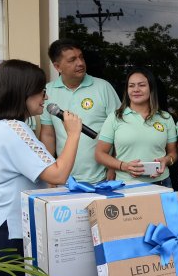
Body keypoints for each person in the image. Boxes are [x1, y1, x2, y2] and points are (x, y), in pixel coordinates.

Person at [0, 60, 81, 276]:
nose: (45, 98)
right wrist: (73, 134)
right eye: (41, 91)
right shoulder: (12, 129)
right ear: (22, 92)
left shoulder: (8, 127)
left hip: (0, 233)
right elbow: (56, 174)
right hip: (5, 236)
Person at [40, 39, 120, 183]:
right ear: (58, 67)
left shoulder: (103, 87)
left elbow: (120, 130)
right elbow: (48, 134)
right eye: (72, 60)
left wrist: (113, 167)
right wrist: (50, 173)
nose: (80, 63)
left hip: (101, 179)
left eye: (81, 57)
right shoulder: (48, 91)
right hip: (65, 180)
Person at [95, 67, 176, 187]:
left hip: (162, 183)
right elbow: (100, 154)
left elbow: (173, 153)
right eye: (131, 86)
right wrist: (123, 166)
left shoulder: (165, 118)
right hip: (127, 185)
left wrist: (166, 161)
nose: (136, 89)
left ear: (151, 89)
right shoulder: (116, 117)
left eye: (142, 85)